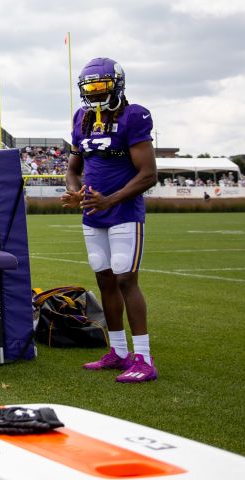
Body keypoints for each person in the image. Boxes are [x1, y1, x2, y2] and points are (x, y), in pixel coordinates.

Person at [61, 58, 159, 383]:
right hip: (92, 215)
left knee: (125, 279)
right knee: (104, 279)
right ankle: (118, 352)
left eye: (100, 86)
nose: (94, 93)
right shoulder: (82, 119)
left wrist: (111, 199)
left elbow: (148, 174)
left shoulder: (134, 116)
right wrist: (75, 193)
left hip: (124, 213)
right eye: (89, 87)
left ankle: (143, 359)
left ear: (116, 84)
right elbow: (73, 170)